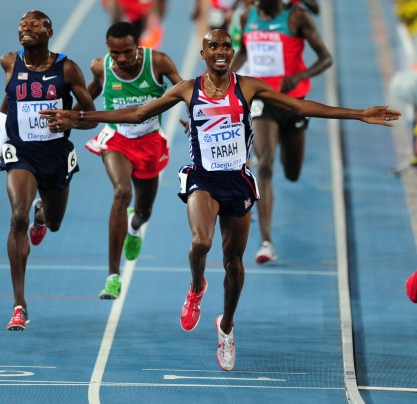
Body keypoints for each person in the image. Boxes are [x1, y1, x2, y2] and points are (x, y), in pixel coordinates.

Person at [41, 29, 399, 371]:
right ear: (204, 54)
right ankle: (196, 287)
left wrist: (358, 114)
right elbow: (137, 114)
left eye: (226, 47)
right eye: (214, 47)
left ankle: (226, 327)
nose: (221, 52)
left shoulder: (248, 87)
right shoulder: (187, 89)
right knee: (201, 243)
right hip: (203, 179)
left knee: (234, 263)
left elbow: (297, 106)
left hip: (238, 182)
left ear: (232, 53)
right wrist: (80, 116)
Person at [0, 10, 97, 331]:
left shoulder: (66, 68)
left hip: (55, 154)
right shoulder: (9, 62)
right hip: (21, 153)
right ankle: (18, 303)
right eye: (22, 24)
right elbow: (9, 100)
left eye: (34, 25)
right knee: (16, 217)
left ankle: (42, 216)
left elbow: (92, 116)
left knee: (53, 223)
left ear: (49, 32)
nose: (26, 29)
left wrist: (72, 118)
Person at [230, 0, 333, 264]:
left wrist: (299, 74)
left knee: (292, 171)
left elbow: (325, 57)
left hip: (294, 102)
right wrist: (225, 79)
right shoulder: (245, 16)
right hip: (262, 101)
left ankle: (276, 166)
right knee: (265, 165)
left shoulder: (296, 18)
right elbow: (244, 53)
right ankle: (265, 242)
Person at [80, 21, 184, 299]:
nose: (122, 59)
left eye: (127, 51)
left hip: (149, 141)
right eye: (116, 54)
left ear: (138, 45)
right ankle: (113, 276)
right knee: (121, 191)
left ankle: (134, 226)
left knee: (143, 211)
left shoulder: (158, 62)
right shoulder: (100, 67)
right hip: (117, 139)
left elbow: (184, 89)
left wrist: (194, 117)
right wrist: (70, 114)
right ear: (108, 50)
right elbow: (91, 93)